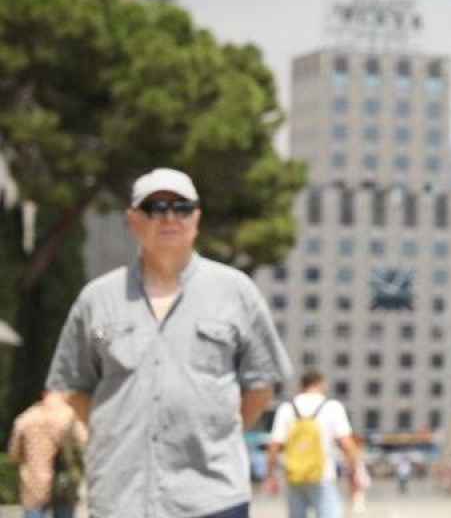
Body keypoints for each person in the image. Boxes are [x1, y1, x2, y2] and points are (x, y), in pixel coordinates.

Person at [46, 167, 292, 518]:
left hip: (213, 496)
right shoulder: (96, 299)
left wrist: (213, 432)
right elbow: (72, 388)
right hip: (120, 497)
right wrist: (114, 432)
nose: (169, 218)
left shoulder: (236, 292)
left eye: (182, 207)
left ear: (197, 218)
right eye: (155, 208)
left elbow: (261, 386)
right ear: (133, 220)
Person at [265, 370, 360, 518]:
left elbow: (274, 446)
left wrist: (270, 475)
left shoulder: (286, 408)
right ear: (321, 384)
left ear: (301, 386)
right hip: (323, 475)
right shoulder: (332, 407)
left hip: (294, 475)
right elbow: (347, 444)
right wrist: (354, 473)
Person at [8, 392, 88, 518]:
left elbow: (13, 454)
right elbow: (84, 442)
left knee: (34, 512)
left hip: (34, 482)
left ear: (43, 395)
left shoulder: (26, 418)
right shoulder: (69, 415)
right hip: (63, 481)